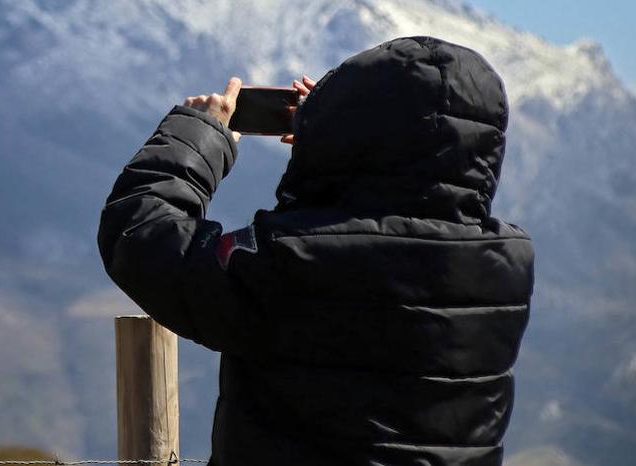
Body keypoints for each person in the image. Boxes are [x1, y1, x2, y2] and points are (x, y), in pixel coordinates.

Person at [97, 36, 534, 466]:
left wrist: (198, 133)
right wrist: (331, 134)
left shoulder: (291, 261)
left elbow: (140, 235)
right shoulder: (507, 265)